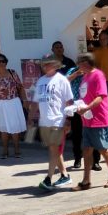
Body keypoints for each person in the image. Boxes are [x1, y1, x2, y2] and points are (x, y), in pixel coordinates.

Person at [72, 53, 108, 190]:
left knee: (103, 149)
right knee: (86, 150)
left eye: (79, 62)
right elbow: (85, 96)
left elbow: (101, 97)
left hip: (100, 120)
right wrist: (77, 107)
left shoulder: (98, 75)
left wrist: (87, 107)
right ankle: (86, 181)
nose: (77, 65)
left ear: (86, 62)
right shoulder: (84, 76)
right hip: (87, 120)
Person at [29, 54, 74, 190]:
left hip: (58, 120)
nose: (45, 66)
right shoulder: (41, 81)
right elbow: (35, 102)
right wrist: (30, 118)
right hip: (44, 121)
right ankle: (65, 176)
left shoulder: (62, 80)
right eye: (43, 64)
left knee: (54, 150)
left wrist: (68, 120)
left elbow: (70, 102)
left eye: (48, 63)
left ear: (55, 65)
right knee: (54, 150)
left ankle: (48, 179)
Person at [0, 53, 27, 159]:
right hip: (0, 104)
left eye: (3, 61)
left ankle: (17, 149)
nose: (1, 63)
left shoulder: (12, 73)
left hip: (14, 103)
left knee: (15, 128)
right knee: (3, 129)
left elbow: (20, 87)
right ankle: (5, 150)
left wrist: (25, 100)